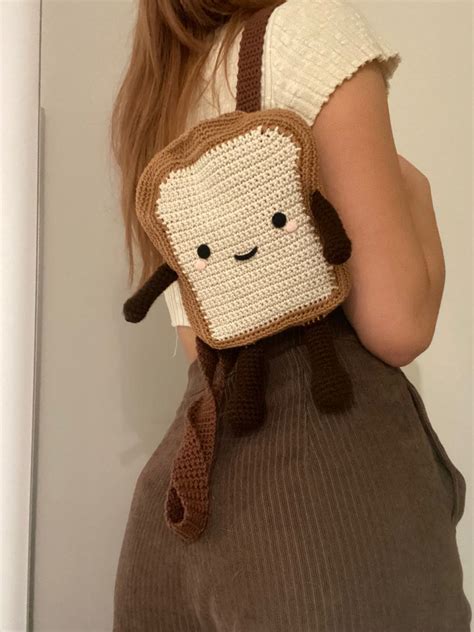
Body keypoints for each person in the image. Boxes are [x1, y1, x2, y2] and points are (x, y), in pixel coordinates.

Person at [110, 1, 471, 630]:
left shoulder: (162, 93)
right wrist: (420, 197)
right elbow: (399, 325)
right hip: (322, 507)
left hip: (180, 506)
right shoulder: (308, 28)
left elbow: (204, 345)